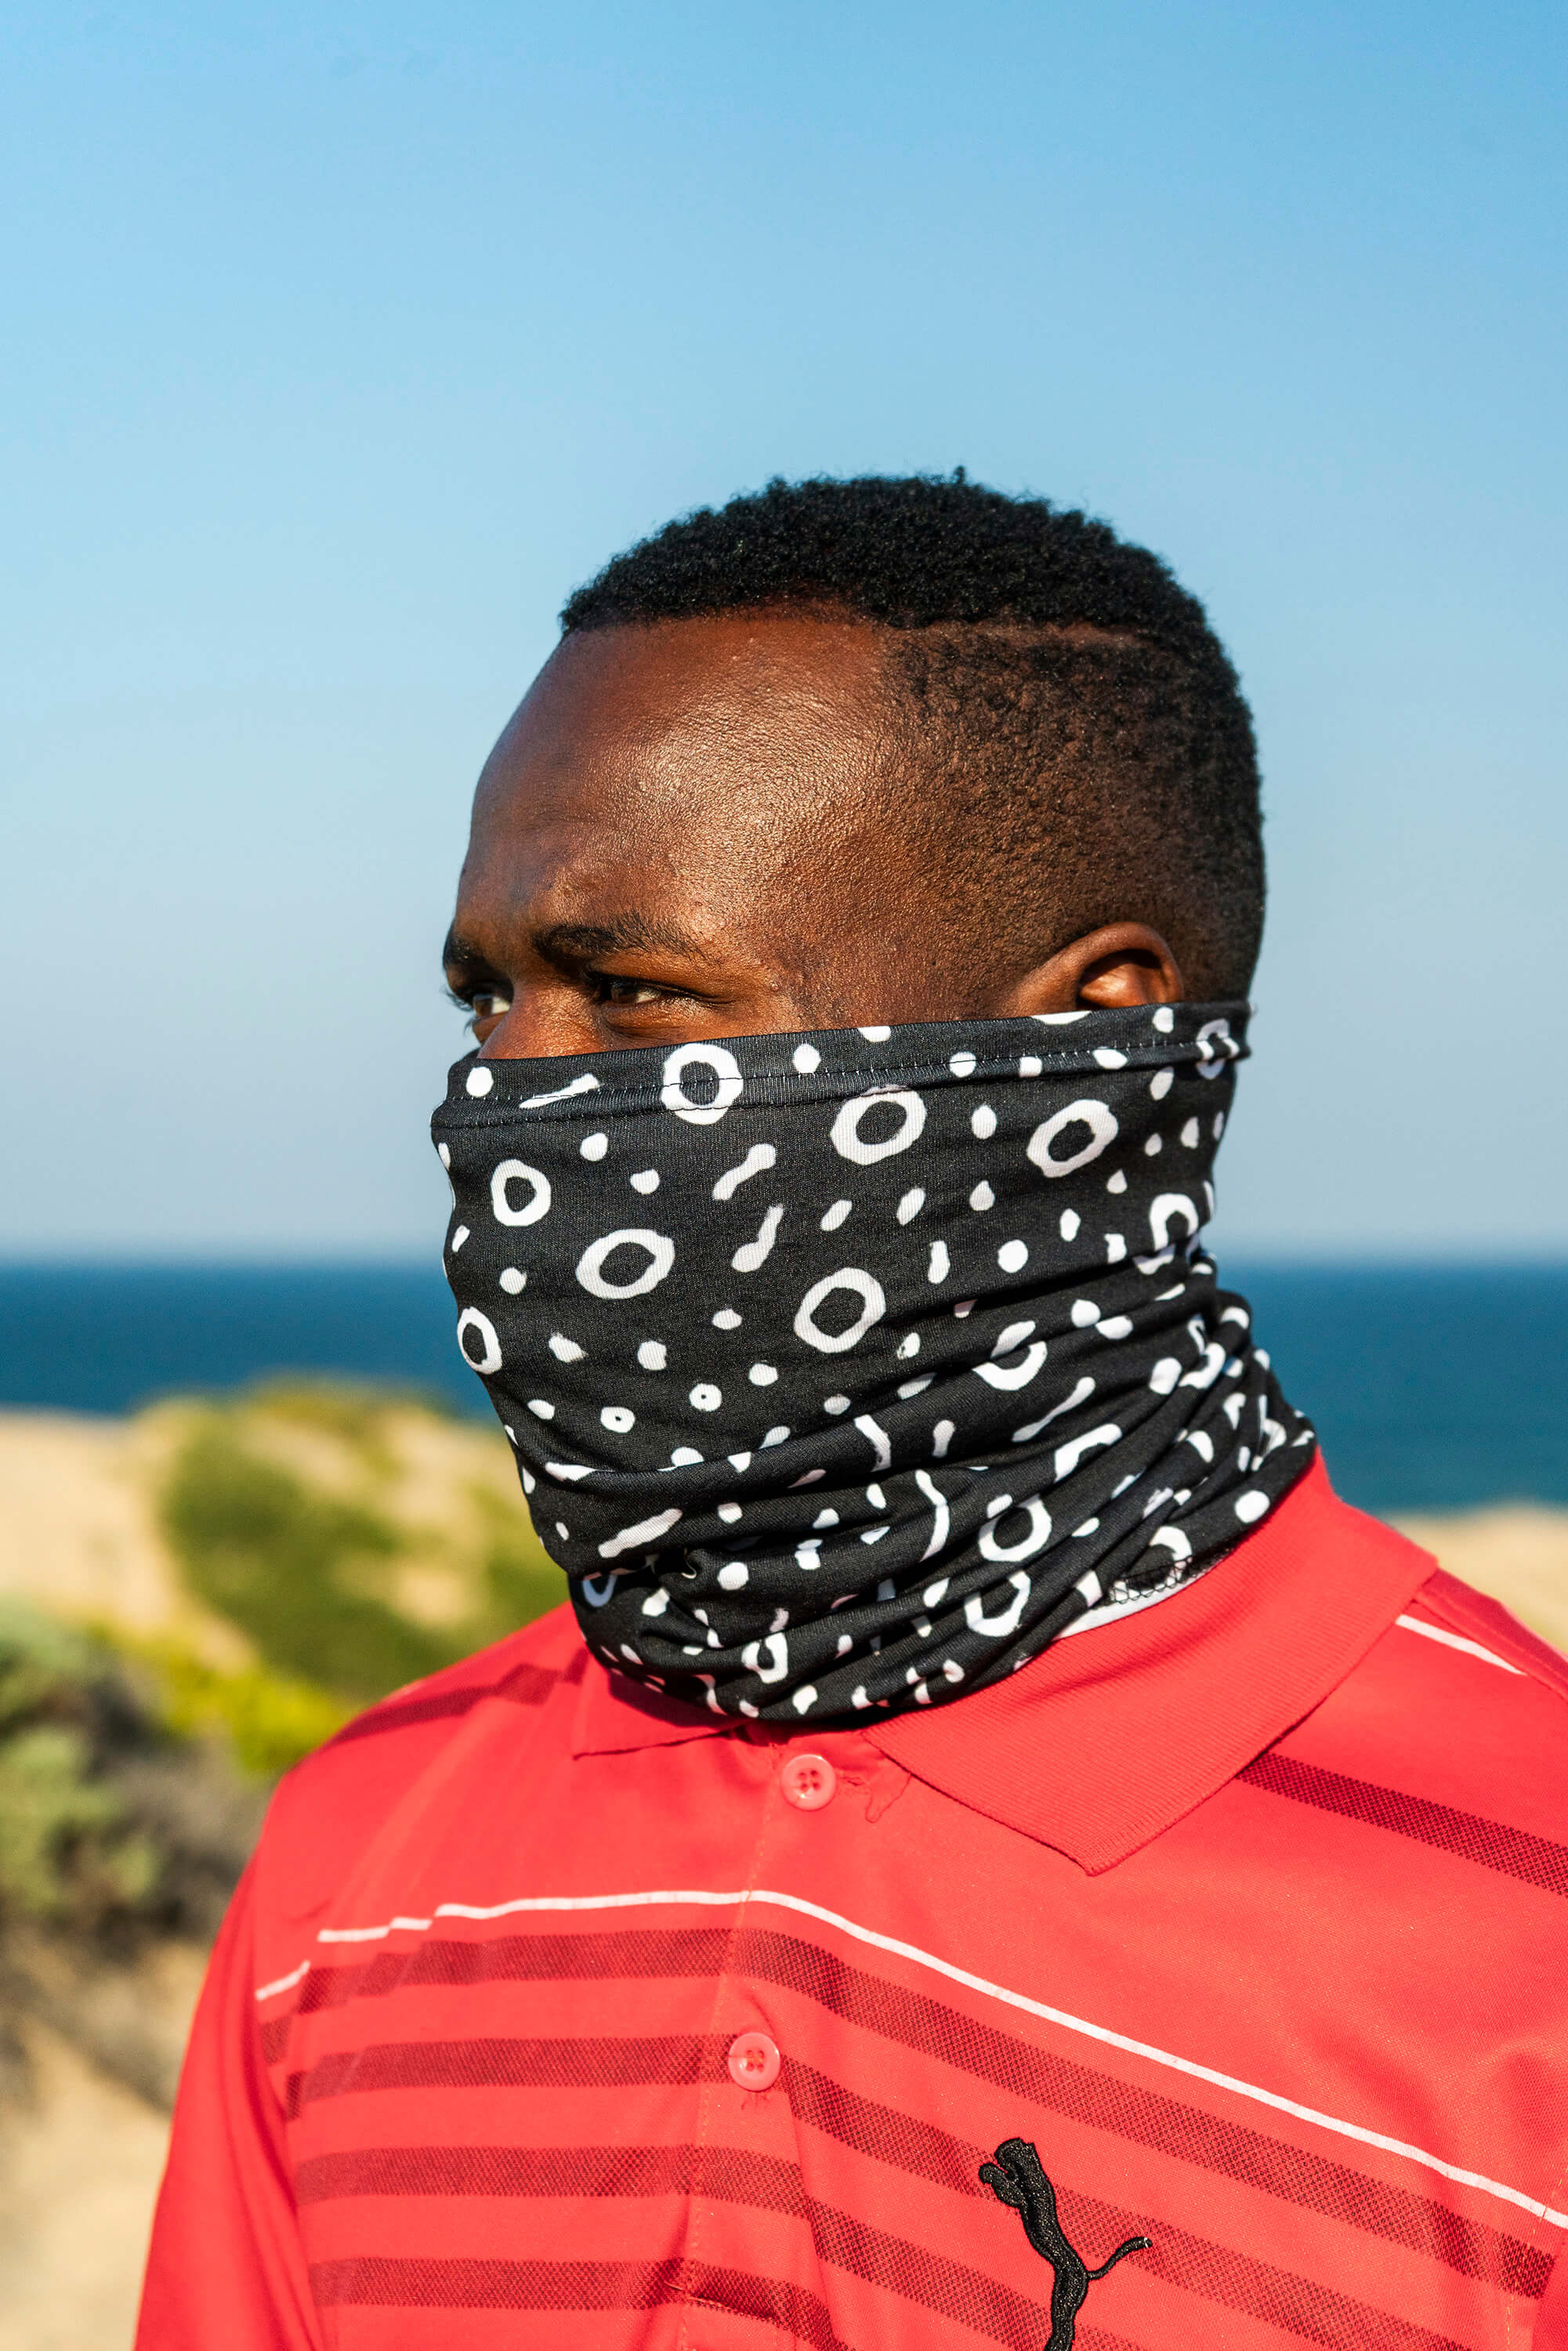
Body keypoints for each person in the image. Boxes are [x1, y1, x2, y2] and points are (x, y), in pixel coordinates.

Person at [136, 476, 1568, 2351]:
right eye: (489, 1001)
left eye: (635, 999)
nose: (505, 1110)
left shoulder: (1512, 1934)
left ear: (1081, 1044)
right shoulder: (360, 1859)